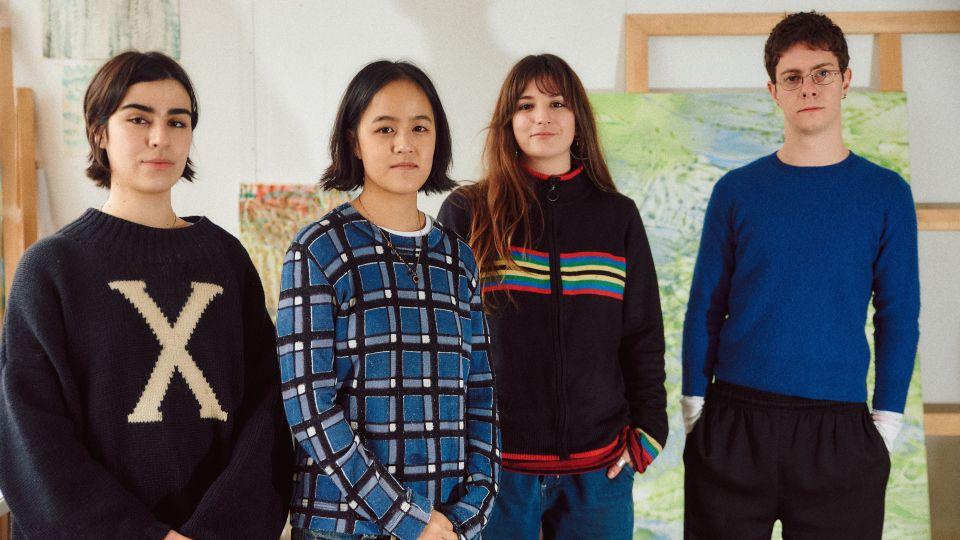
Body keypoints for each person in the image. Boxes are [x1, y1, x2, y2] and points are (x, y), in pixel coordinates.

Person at [0, 51, 292, 539]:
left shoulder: (227, 260)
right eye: (138, 118)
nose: (161, 137)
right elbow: (29, 439)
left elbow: (270, 410)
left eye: (177, 121)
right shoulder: (51, 269)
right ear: (99, 131)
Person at [681, 12, 920, 540]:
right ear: (773, 90)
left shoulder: (886, 193)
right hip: (734, 422)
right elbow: (705, 304)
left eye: (822, 73)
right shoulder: (737, 191)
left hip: (840, 431)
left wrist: (887, 423)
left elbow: (899, 315)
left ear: (846, 80)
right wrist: (695, 410)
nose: (808, 87)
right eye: (792, 77)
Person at [438, 53, 667, 540]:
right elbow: (442, 341)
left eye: (556, 103)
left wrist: (648, 432)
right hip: (494, 473)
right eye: (526, 105)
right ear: (509, 122)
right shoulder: (467, 211)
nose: (542, 116)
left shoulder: (616, 217)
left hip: (598, 473)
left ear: (578, 118)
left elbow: (643, 332)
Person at [277, 60, 499, 540]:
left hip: (447, 526)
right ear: (354, 141)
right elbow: (310, 408)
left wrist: (470, 511)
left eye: (421, 127)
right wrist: (407, 518)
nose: (405, 143)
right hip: (343, 527)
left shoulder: (459, 259)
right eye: (385, 128)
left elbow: (480, 394)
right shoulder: (318, 249)